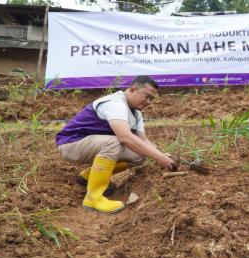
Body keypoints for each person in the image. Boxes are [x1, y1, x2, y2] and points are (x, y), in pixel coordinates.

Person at [56, 76, 177, 214]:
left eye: (152, 99)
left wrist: (161, 155)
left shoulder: (136, 113)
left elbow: (143, 141)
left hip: (91, 144)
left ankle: (88, 176)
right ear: (132, 90)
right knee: (116, 143)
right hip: (71, 144)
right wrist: (158, 158)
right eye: (146, 96)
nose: (148, 102)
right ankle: (93, 198)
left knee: (140, 154)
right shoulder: (115, 103)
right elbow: (124, 137)